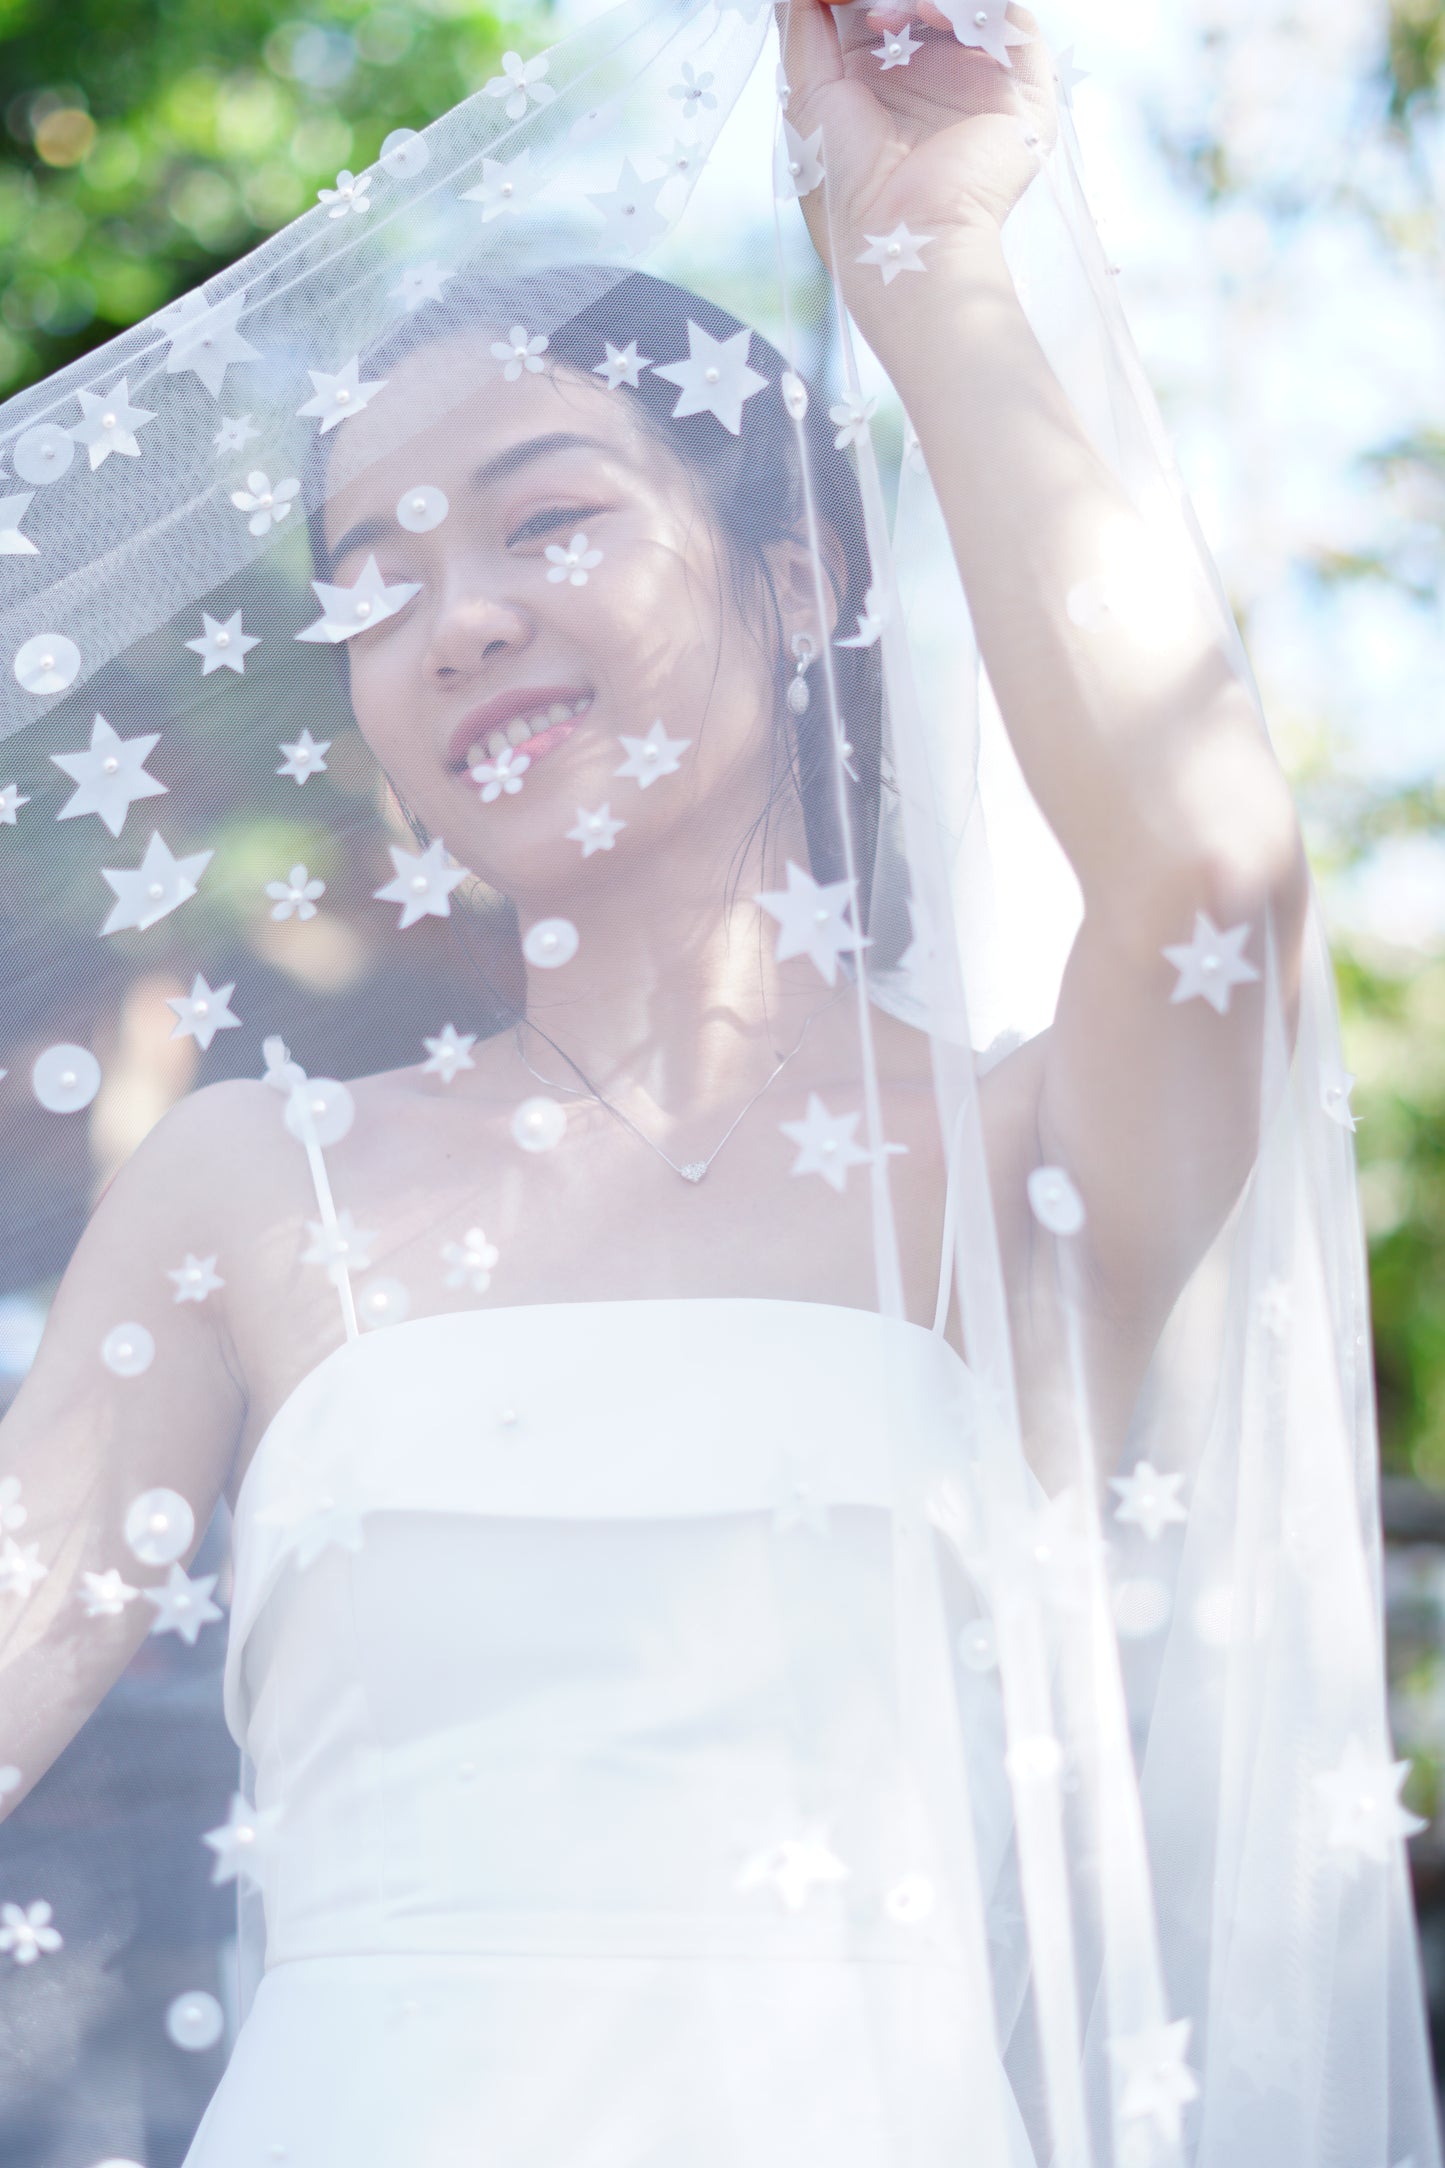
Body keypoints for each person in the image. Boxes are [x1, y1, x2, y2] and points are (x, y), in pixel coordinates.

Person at [0, 4, 1435, 2163]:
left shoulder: (1016, 1159)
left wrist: (921, 251)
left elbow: (1211, 859)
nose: (454, 614)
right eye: (372, 580)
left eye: (542, 516)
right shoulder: (240, 1185)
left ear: (798, 576)